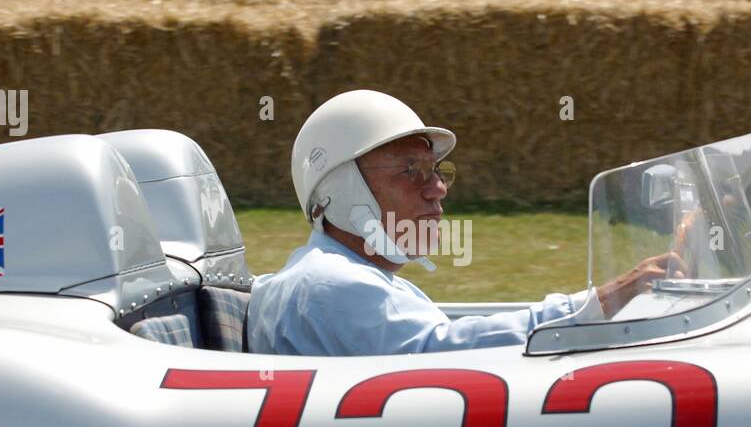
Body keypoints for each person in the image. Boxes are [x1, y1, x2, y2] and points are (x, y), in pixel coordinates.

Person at [246, 90, 684, 356]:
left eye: (438, 171)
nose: (438, 188)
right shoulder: (330, 284)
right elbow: (445, 356)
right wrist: (601, 302)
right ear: (339, 192)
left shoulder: (353, 278)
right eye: (411, 171)